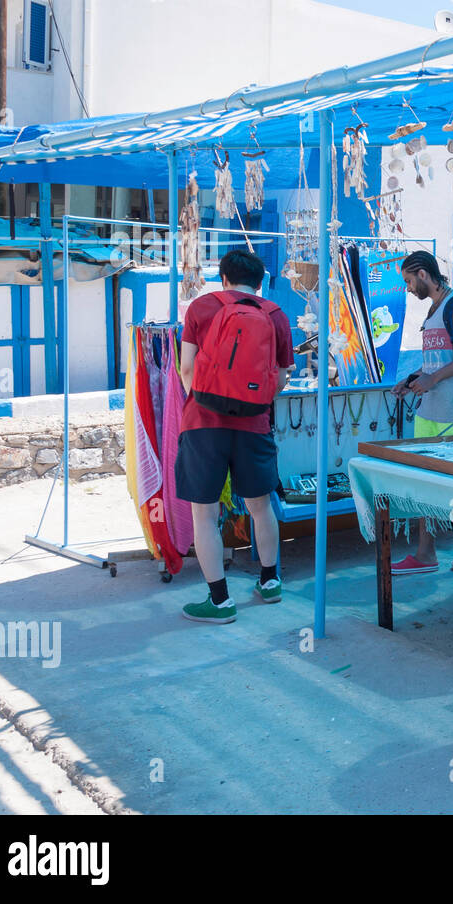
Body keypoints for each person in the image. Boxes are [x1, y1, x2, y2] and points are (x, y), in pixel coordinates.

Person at [176, 249, 294, 624]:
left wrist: (206, 400)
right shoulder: (274, 314)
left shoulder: (200, 308)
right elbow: (283, 376)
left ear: (223, 278)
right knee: (260, 505)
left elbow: (186, 367)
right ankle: (270, 581)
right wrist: (255, 402)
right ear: (260, 283)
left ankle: (219, 601)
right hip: (254, 423)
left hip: (203, 423)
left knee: (205, 513)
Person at [388, 250, 453, 574]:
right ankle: (425, 553)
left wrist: (433, 378)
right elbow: (437, 362)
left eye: (408, 280)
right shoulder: (433, 310)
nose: (408, 288)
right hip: (428, 410)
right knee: (424, 484)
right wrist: (414, 377)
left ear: (423, 273)